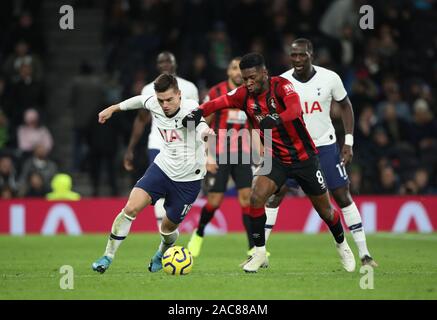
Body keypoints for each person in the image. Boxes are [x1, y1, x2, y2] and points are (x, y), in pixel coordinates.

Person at [182, 53, 354, 273]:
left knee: (326, 212)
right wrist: (196, 113)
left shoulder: (282, 86)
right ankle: (259, 252)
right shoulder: (243, 94)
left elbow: (294, 110)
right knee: (256, 198)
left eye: (252, 77)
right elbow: (217, 103)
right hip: (276, 158)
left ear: (264, 73)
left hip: (304, 158)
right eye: (245, 79)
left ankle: (342, 246)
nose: (248, 83)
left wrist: (277, 118)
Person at [264, 38, 377, 267]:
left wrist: (349, 141)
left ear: (311, 54)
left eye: (302, 55)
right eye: (293, 55)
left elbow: (345, 105)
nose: (297, 59)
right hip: (294, 148)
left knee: (342, 196)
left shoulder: (330, 78)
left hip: (324, 146)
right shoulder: (282, 82)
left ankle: (365, 254)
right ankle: (259, 253)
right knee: (275, 194)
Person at [92, 74, 213, 274]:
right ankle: (107, 256)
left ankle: (160, 253)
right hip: (162, 168)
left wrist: (205, 134)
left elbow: (198, 125)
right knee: (130, 208)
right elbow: (140, 101)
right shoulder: (155, 103)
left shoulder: (190, 109)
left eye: (169, 100)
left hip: (188, 180)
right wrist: (112, 109)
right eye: (161, 100)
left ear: (179, 95)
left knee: (167, 229)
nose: (164, 105)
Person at [187, 57, 255, 258]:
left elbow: (253, 124)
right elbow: (201, 123)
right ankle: (198, 234)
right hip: (218, 153)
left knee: (247, 200)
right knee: (214, 201)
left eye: (240, 69)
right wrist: (207, 155)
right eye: (234, 68)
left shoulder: (250, 93)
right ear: (228, 71)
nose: (237, 72)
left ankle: (253, 248)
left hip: (242, 153)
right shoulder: (216, 92)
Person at [123, 51, 199, 229]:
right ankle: (162, 231)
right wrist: (130, 148)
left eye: (168, 61)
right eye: (161, 62)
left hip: (185, 147)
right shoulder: (149, 89)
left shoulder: (189, 88)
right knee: (159, 190)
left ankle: (169, 228)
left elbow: (199, 117)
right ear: (157, 66)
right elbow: (141, 119)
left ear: (175, 64)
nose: (165, 65)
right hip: (158, 143)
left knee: (177, 192)